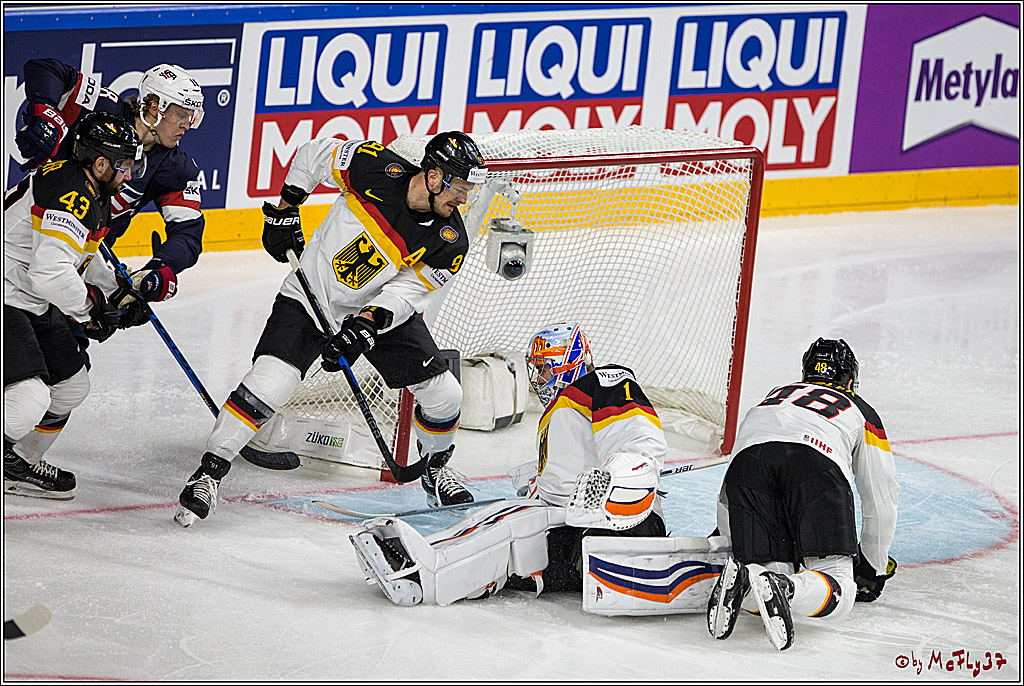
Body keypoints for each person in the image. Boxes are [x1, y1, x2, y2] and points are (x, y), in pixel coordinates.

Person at [173, 131, 489, 527]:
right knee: (270, 384)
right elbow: (314, 154)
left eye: (468, 190)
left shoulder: (450, 239)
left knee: (445, 394)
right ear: (432, 175)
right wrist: (286, 210)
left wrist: (366, 326)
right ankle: (208, 474)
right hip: (309, 299)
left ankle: (436, 469)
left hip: (374, 311)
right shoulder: (374, 165)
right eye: (459, 187)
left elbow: (408, 292)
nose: (464, 198)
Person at [349, 322, 671, 606]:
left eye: (544, 368)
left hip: (620, 525)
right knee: (501, 525)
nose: (538, 378)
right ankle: (416, 554)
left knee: (516, 525)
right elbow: (565, 478)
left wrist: (627, 474)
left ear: (568, 362)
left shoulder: (603, 382)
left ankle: (424, 578)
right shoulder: (558, 413)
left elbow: (638, 436)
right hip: (575, 532)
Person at [707, 337, 900, 651]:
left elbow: (737, 469)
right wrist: (873, 569)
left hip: (747, 468)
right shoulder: (859, 408)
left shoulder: (776, 396)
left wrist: (729, 535)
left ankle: (749, 581)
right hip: (813, 464)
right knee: (839, 589)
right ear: (850, 380)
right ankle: (786, 587)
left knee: (764, 575)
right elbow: (882, 498)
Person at [4, 111, 146, 499]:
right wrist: (90, 309)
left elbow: (79, 255)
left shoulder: (86, 187)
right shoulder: (74, 195)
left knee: (70, 387)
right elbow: (50, 273)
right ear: (100, 164)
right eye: (124, 165)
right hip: (7, 295)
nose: (129, 174)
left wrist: (117, 291)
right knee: (25, 401)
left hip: (25, 296)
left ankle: (14, 465)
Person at [15, 59, 207, 334]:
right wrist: (45, 111)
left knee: (67, 364)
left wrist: (162, 266)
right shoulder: (102, 110)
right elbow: (44, 68)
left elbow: (188, 233)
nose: (188, 124)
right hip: (26, 246)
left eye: (193, 116)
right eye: (182, 114)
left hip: (80, 264)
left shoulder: (174, 166)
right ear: (155, 108)